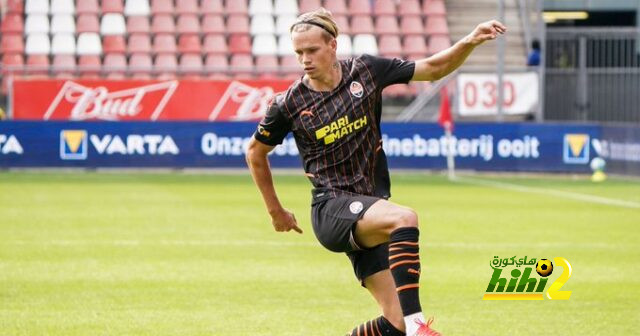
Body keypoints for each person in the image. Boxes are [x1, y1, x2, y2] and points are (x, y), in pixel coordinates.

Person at [246, 8, 506, 336]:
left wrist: (470, 40)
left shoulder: (366, 71)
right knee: (404, 218)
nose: (305, 60)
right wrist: (276, 211)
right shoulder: (289, 104)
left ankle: (406, 326)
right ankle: (418, 327)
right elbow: (255, 152)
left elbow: (434, 68)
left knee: (392, 323)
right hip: (331, 209)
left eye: (311, 50)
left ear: (333, 45)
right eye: (299, 53)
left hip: (369, 206)